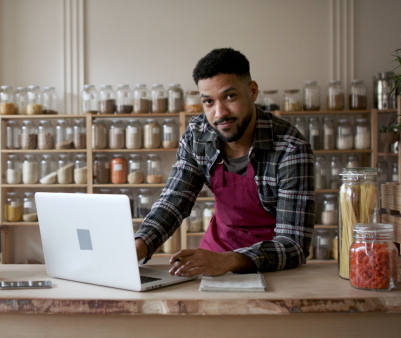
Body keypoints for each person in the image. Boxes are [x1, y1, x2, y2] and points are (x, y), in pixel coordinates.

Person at [134, 48, 315, 277]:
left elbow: (293, 245)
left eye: (230, 96)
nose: (219, 113)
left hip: (271, 268)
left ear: (252, 91)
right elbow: (175, 199)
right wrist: (139, 246)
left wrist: (229, 261)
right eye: (208, 102)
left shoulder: (290, 149)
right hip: (213, 258)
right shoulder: (198, 134)